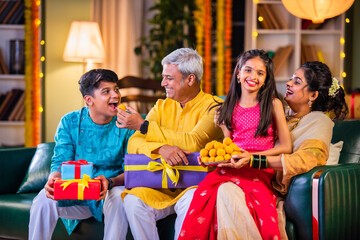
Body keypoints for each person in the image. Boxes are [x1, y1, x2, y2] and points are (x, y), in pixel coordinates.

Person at [215, 61, 349, 240]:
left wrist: (255, 160)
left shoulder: (319, 121)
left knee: (226, 192)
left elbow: (309, 158)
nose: (288, 83)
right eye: (291, 79)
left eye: (297, 81)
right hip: (249, 177)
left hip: (270, 186)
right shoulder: (278, 112)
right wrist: (226, 130)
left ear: (313, 95)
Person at [178, 49, 292, 240]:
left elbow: (286, 147)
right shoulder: (226, 106)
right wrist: (215, 156)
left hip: (258, 169)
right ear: (238, 73)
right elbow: (228, 146)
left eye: (260, 73)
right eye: (248, 70)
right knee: (205, 201)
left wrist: (253, 158)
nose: (253, 76)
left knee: (227, 194)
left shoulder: (273, 104)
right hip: (230, 169)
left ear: (265, 79)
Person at [116, 48, 224, 240]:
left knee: (192, 199)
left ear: (190, 79)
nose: (162, 83)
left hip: (193, 187)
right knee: (132, 200)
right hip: (156, 185)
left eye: (169, 78)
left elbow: (194, 142)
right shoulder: (161, 105)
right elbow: (134, 142)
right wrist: (161, 148)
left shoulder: (214, 107)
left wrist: (143, 126)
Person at [28, 69, 135, 240]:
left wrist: (110, 181)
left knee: (118, 197)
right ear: (89, 100)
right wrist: (54, 179)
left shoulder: (128, 123)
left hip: (109, 192)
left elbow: (132, 169)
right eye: (106, 91)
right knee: (43, 200)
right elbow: (61, 160)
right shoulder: (69, 122)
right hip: (76, 192)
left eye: (116, 89)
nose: (115, 95)